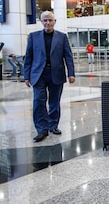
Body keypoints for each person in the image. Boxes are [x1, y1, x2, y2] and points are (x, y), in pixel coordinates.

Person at [24, 11, 76, 142]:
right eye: (45, 20)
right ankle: (42, 129)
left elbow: (68, 56)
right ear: (41, 22)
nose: (47, 23)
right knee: (38, 102)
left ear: (55, 21)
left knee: (54, 102)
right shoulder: (33, 36)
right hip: (38, 74)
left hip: (56, 73)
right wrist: (26, 76)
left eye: (50, 20)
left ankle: (53, 125)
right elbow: (28, 57)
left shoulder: (62, 37)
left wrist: (71, 73)